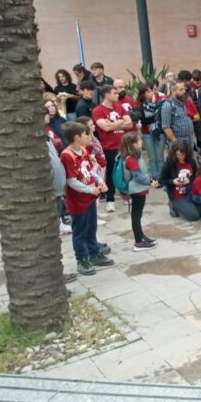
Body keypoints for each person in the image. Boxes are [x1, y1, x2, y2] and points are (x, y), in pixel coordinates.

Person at [60, 121, 114, 276]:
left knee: (91, 228)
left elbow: (91, 170)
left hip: (90, 196)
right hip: (79, 200)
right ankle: (82, 259)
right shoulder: (66, 155)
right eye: (86, 134)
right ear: (77, 137)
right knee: (80, 231)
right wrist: (91, 190)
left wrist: (100, 182)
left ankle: (94, 253)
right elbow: (71, 181)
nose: (90, 137)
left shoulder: (83, 150)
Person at [92, 85, 133, 212]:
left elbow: (129, 123)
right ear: (107, 95)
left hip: (124, 146)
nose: (117, 95)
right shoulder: (98, 110)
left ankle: (126, 195)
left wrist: (112, 124)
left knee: (126, 172)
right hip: (109, 147)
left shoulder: (119, 107)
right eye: (114, 93)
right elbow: (105, 128)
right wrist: (120, 122)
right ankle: (110, 199)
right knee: (110, 173)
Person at [119, 132, 159, 250]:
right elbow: (138, 177)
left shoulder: (133, 156)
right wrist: (151, 182)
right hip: (137, 190)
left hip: (139, 189)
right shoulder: (131, 159)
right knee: (136, 216)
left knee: (137, 215)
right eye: (139, 140)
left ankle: (141, 236)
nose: (141, 142)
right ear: (134, 144)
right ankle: (138, 243)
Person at [159, 140, 201, 221]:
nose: (181, 157)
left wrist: (189, 180)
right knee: (193, 216)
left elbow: (196, 176)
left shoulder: (191, 161)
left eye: (183, 154)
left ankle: (187, 206)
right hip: (177, 194)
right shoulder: (169, 163)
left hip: (190, 192)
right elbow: (162, 180)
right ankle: (173, 205)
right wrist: (173, 181)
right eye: (178, 154)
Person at [135, 85, 165, 179]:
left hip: (160, 132)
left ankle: (161, 177)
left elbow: (163, 117)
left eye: (151, 91)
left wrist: (154, 106)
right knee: (152, 157)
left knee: (160, 157)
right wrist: (153, 109)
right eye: (148, 92)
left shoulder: (159, 103)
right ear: (143, 94)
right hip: (147, 133)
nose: (151, 93)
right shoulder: (139, 106)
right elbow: (144, 121)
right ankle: (154, 177)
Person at [161, 80, 195, 146]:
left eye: (184, 89)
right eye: (181, 89)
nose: (184, 91)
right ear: (173, 91)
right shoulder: (168, 105)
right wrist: (176, 142)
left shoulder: (182, 103)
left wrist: (192, 135)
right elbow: (166, 127)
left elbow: (187, 119)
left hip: (189, 140)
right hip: (178, 142)